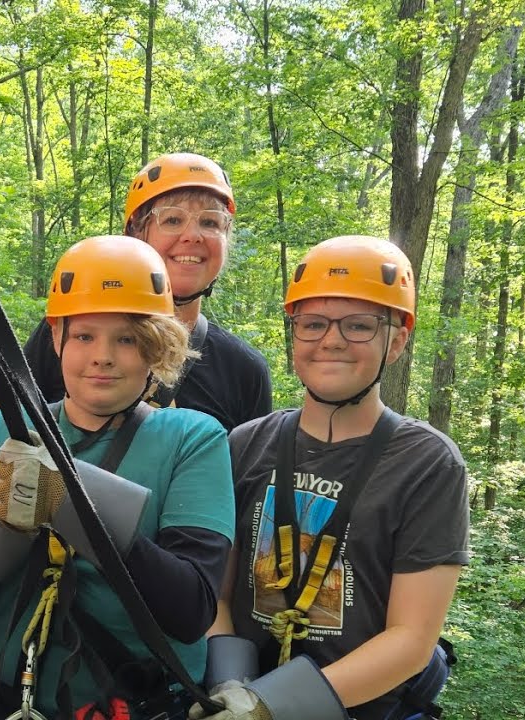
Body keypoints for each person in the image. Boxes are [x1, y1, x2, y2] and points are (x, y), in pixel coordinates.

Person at [0, 235, 235, 719]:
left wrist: (67, 496)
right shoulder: (1, 433)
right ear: (56, 336)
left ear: (157, 346)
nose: (102, 356)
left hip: (136, 703)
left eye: (127, 339)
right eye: (84, 335)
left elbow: (190, 609)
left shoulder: (192, 438)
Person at [193, 236, 469, 720]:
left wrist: (269, 707)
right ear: (294, 333)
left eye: (359, 326)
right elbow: (216, 589)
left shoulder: (427, 463)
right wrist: (231, 686)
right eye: (313, 324)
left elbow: (411, 639)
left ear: (398, 339)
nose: (332, 340)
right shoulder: (244, 444)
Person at [22, 153, 271, 433]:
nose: (193, 235)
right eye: (173, 220)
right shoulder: (69, 332)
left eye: (211, 222)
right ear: (136, 233)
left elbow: (248, 473)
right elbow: (6, 435)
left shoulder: (242, 370)